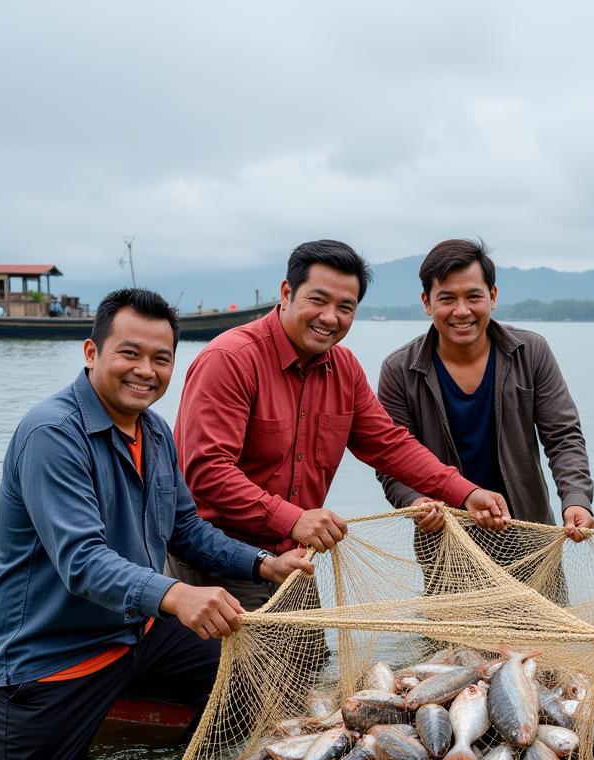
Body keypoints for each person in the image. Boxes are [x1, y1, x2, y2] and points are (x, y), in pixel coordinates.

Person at [0, 288, 314, 760]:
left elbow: (184, 529)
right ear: (92, 353)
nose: (145, 370)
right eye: (129, 353)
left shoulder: (155, 431)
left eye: (161, 359)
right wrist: (176, 594)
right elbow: (83, 561)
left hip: (136, 629)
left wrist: (263, 563)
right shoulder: (52, 433)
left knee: (248, 680)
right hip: (54, 651)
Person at [171, 239, 509, 610]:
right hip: (219, 562)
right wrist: (293, 518)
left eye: (345, 307)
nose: (330, 317)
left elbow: (389, 444)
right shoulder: (231, 359)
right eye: (318, 300)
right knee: (232, 669)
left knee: (308, 665)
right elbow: (207, 472)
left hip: (296, 560)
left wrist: (464, 492)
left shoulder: (343, 368)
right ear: (287, 292)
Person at [376, 238, 594, 541]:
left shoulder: (530, 351)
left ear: (492, 296)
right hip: (445, 541)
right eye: (447, 299)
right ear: (427, 303)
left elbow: (563, 436)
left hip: (530, 534)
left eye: (473, 297)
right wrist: (414, 501)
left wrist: (576, 498)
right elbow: (391, 460)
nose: (462, 311)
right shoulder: (400, 370)